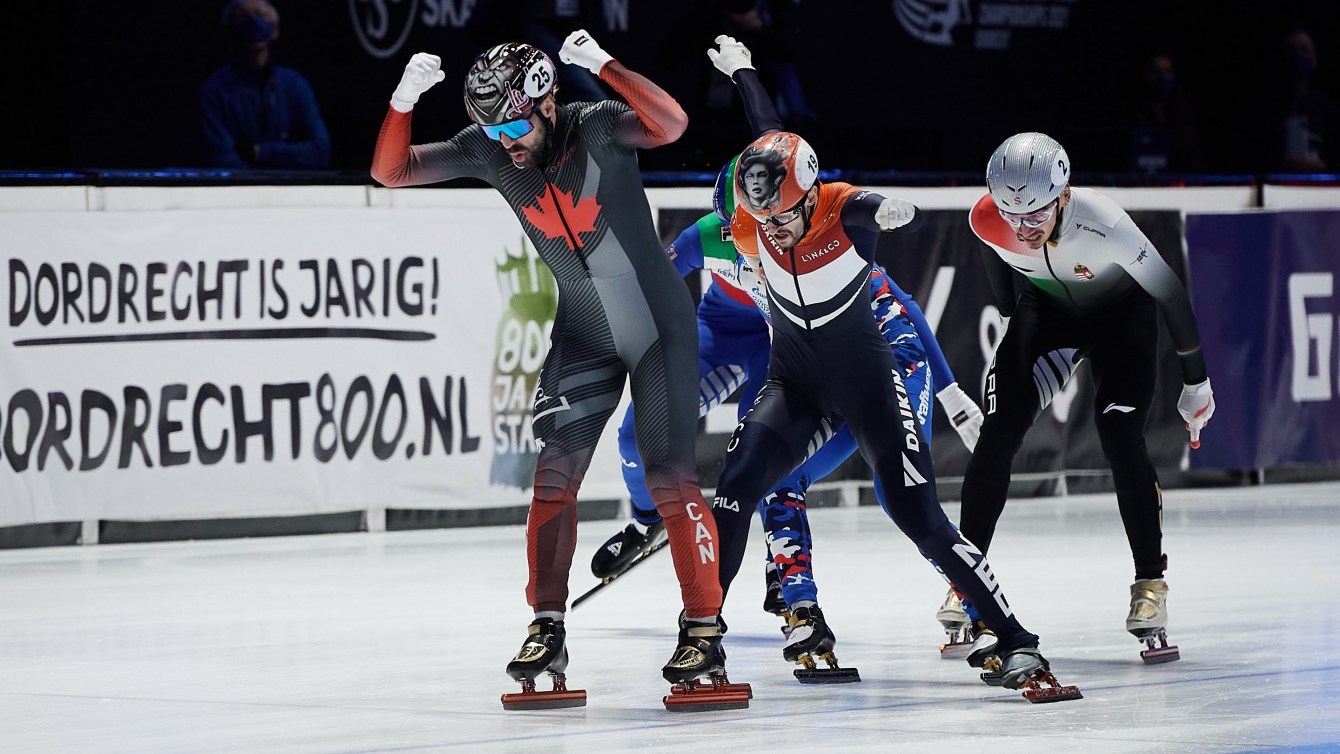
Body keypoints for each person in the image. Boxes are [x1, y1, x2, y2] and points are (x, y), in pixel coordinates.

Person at [703, 40, 1072, 695]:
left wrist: (952, 391)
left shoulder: (826, 225)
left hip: (890, 363)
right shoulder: (734, 229)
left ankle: (987, 614)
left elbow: (897, 302)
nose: (765, 230)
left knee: (907, 504)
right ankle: (802, 609)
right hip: (815, 379)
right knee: (771, 478)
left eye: (776, 213)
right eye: (750, 219)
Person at [370, 32, 730, 701]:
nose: (503, 140)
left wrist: (604, 66)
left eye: (512, 123)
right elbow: (390, 172)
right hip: (585, 330)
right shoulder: (488, 147)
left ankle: (704, 627)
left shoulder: (595, 125)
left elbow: (672, 123)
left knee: (668, 476)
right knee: (553, 477)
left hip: (657, 325)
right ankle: (546, 624)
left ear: (547, 101)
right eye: (490, 126)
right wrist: (403, 100)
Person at [951, 131, 1215, 662]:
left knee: (1119, 435)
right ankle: (966, 580)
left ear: (1063, 194)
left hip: (1123, 320)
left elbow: (1169, 291)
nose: (1022, 231)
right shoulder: (987, 218)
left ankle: (1150, 585)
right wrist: (1009, 315)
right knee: (997, 434)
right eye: (1012, 216)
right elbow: (994, 257)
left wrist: (1196, 381)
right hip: (1048, 317)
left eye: (1035, 217)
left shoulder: (1107, 223)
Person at [198, 0, 331, 169]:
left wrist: (259, 152)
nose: (253, 20)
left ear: (275, 30)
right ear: (230, 29)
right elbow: (221, 159)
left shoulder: (294, 84)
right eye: (243, 15)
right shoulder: (213, 92)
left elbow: (320, 152)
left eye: (261, 14)